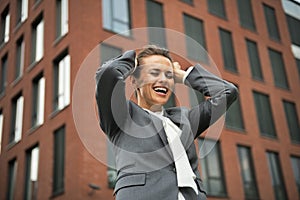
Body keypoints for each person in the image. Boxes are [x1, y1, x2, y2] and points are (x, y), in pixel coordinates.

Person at [95, 45, 238, 200]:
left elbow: (227, 92)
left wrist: (183, 76)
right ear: (135, 81)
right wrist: (133, 63)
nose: (163, 80)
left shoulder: (185, 119)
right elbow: (108, 74)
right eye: (154, 73)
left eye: (168, 76)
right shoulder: (122, 116)